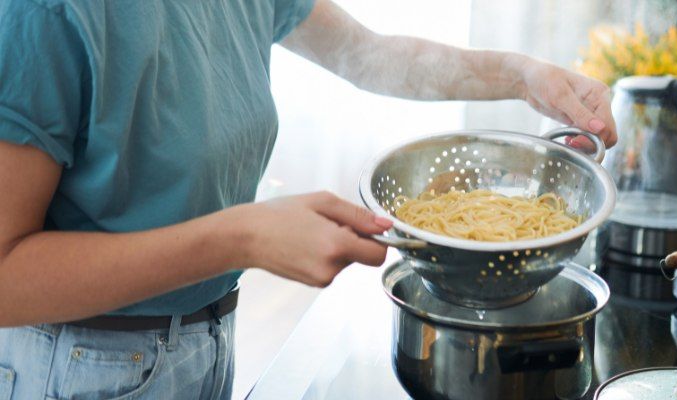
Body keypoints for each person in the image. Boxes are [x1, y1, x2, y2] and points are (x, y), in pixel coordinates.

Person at [0, 0, 617, 398]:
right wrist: (242, 237)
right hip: (79, 367)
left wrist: (521, 74)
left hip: (205, 340)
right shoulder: (43, 14)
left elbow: (369, 56)